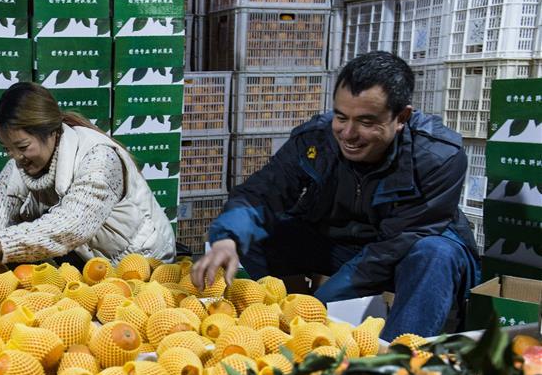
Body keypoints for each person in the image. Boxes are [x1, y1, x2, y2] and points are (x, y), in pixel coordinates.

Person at [192, 51, 480, 341]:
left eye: (367, 122)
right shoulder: (317, 139)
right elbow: (264, 191)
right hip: (338, 243)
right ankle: (262, 327)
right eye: (341, 117)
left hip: (400, 254)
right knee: (256, 232)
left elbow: (395, 246)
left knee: (435, 254)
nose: (348, 134)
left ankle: (398, 364)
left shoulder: (438, 156)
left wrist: (317, 306)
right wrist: (227, 238)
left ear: (401, 117)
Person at [0, 82, 175, 295]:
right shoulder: (18, 167)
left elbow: (71, 225)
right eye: (7, 148)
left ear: (52, 133)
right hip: (90, 264)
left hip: (140, 264)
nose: (15, 157)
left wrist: (0, 244)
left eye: (23, 147)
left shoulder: (99, 158)